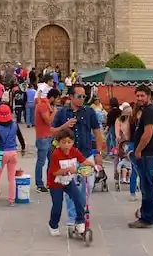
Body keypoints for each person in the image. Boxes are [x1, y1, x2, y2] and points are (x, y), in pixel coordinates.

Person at [51, 84, 104, 228]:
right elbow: (52, 131)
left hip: (86, 154)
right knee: (70, 185)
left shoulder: (89, 112)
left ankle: (81, 209)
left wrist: (99, 152)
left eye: (84, 96)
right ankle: (74, 215)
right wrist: (65, 125)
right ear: (71, 97)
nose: (82, 99)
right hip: (68, 157)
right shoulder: (62, 113)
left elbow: (98, 133)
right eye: (79, 96)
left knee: (89, 184)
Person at [46, 128, 95, 237]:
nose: (67, 145)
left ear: (73, 142)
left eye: (69, 142)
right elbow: (54, 172)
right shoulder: (56, 154)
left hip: (68, 181)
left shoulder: (75, 151)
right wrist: (68, 170)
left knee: (79, 199)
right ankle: (53, 224)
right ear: (59, 143)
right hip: (56, 183)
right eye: (63, 142)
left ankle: (80, 221)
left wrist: (93, 165)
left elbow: (83, 161)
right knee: (57, 205)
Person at [129, 85, 153, 229]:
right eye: (137, 96)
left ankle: (146, 218)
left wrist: (138, 150)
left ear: (149, 96)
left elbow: (148, 133)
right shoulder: (151, 110)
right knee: (149, 185)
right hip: (150, 153)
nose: (139, 99)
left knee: (146, 187)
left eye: (142, 96)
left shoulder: (149, 111)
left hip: (147, 153)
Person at [0, 104, 27, 206]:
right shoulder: (15, 125)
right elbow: (21, 139)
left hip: (1, 153)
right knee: (11, 178)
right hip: (13, 153)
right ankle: (11, 200)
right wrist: (23, 148)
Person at [34, 88, 60, 193]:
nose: (58, 101)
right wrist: (54, 112)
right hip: (42, 138)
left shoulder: (48, 105)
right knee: (41, 161)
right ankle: (39, 184)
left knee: (52, 160)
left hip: (49, 137)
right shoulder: (42, 106)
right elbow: (48, 120)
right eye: (57, 99)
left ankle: (50, 182)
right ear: (52, 97)